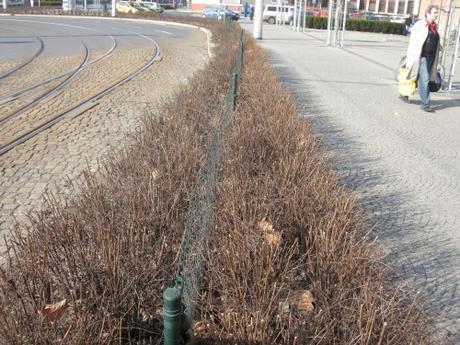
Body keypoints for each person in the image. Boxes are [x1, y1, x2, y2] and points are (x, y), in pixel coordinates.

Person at [402, 5, 441, 112]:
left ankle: (404, 92)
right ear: (427, 14)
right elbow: (413, 43)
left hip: (431, 57)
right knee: (424, 80)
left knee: (418, 77)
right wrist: (411, 58)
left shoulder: (433, 27)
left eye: (437, 13)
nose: (436, 15)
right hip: (421, 57)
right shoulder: (420, 25)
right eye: (434, 13)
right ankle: (425, 104)